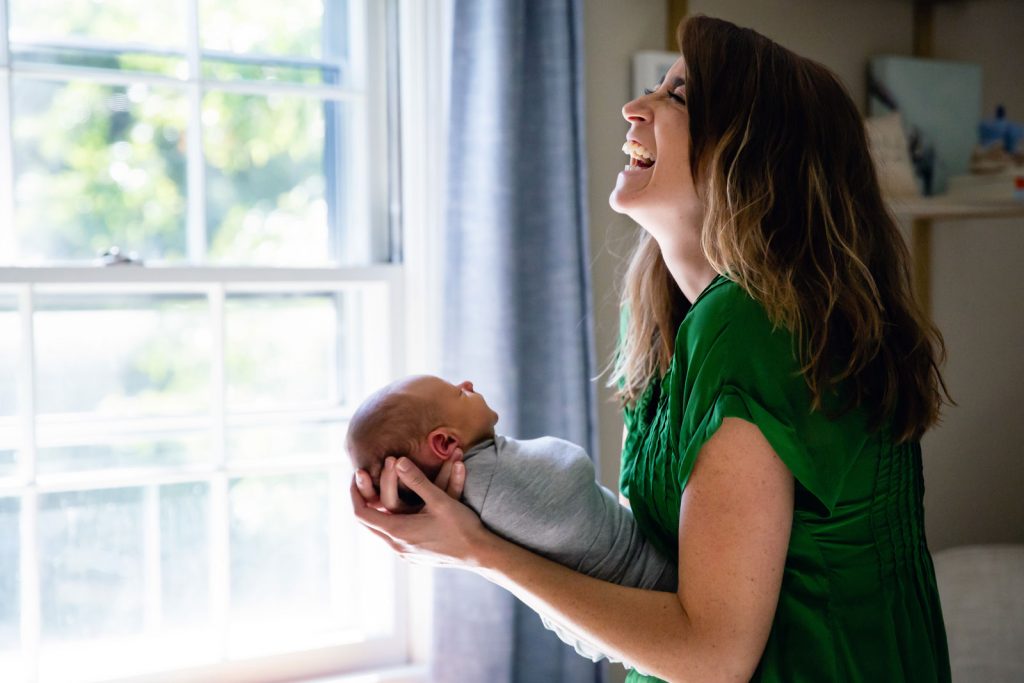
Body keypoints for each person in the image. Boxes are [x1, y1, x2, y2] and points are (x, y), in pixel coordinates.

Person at [351, 14, 952, 682]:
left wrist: (481, 552)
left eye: (677, 97)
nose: (634, 107)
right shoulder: (678, 324)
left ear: (751, 155)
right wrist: (483, 508)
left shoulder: (747, 328)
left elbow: (713, 654)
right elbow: (650, 569)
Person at [346, 374, 676, 669]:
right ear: (445, 443)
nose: (469, 384)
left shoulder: (470, 496)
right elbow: (571, 468)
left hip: (629, 618)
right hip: (655, 588)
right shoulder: (487, 484)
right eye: (458, 393)